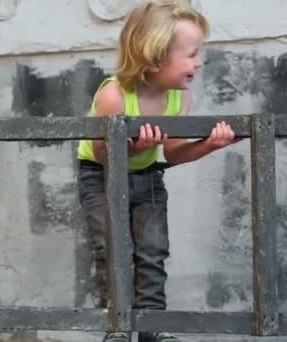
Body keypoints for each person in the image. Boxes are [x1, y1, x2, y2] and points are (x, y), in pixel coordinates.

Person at [77, 1, 239, 341]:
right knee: (113, 250)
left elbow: (174, 153)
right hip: (101, 175)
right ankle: (118, 328)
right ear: (153, 59)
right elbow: (100, 152)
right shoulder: (114, 95)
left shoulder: (180, 98)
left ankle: (152, 326)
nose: (199, 62)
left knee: (152, 251)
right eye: (191, 54)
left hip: (149, 174)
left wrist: (208, 144)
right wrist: (129, 147)